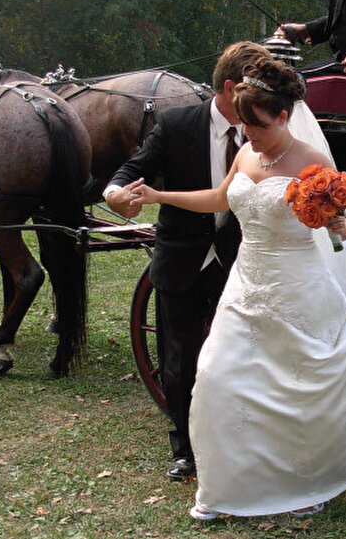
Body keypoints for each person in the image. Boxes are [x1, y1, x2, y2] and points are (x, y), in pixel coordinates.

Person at [125, 56, 346, 520]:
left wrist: (334, 223)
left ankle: (308, 482)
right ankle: (222, 487)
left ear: (284, 116)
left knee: (299, 386)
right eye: (244, 125)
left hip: (298, 287)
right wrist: (157, 195)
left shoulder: (313, 161)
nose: (249, 135)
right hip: (246, 283)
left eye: (258, 126)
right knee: (215, 373)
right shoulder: (246, 152)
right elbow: (218, 198)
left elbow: (341, 226)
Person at [103, 40, 272, 481]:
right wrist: (115, 194)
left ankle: (238, 436)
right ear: (230, 88)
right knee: (178, 357)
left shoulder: (266, 134)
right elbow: (131, 170)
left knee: (239, 353)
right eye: (254, 92)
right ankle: (185, 447)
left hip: (242, 261)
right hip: (182, 260)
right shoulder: (177, 125)